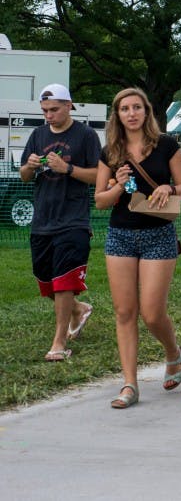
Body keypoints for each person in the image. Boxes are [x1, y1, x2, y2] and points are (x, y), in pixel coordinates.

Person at [94, 88, 181, 408]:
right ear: (117, 115)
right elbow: (101, 202)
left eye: (137, 107)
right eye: (125, 109)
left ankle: (173, 352)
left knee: (151, 313)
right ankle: (129, 385)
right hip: (120, 234)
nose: (131, 113)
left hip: (159, 234)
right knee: (124, 312)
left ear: (147, 112)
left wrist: (168, 186)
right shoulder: (110, 151)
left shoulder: (166, 145)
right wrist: (119, 184)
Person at [19, 84, 101, 362]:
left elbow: (99, 176)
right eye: (45, 111)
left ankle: (59, 341)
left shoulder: (86, 135)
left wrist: (66, 168)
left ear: (69, 106)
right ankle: (78, 309)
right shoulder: (37, 134)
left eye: (54, 110)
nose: (48, 116)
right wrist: (30, 166)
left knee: (63, 282)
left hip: (73, 219)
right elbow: (24, 176)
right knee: (46, 280)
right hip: (42, 220)